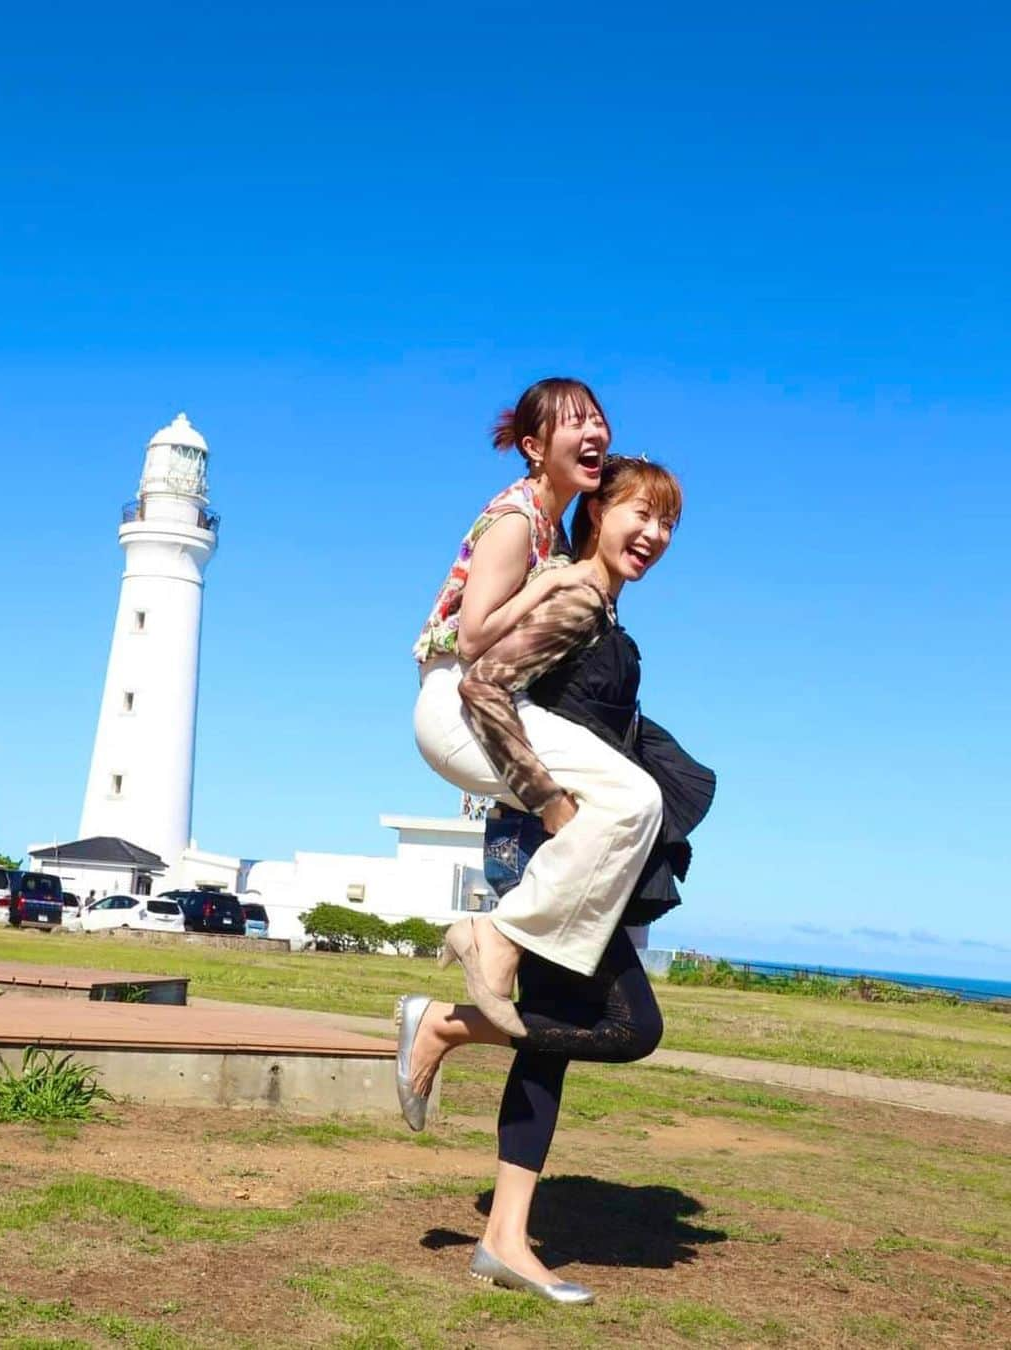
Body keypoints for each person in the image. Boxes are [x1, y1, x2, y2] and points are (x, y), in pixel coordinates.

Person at [398, 456, 715, 1301]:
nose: (653, 535)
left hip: (577, 856)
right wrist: (547, 811)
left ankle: (504, 1235)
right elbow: (488, 689)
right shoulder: (572, 598)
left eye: (669, 524)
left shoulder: (605, 618)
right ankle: (446, 1027)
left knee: (557, 1038)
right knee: (625, 1025)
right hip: (547, 848)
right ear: (598, 511)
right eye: (639, 513)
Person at [414, 384, 665, 1034]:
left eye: (600, 424)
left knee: (623, 806)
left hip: (484, 701)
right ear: (533, 447)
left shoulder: (548, 524)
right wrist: (554, 581)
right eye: (576, 425)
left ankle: (499, 949)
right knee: (630, 803)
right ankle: (495, 939)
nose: (596, 436)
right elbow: (473, 644)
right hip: (456, 702)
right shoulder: (519, 518)